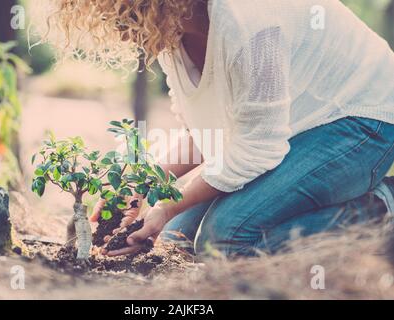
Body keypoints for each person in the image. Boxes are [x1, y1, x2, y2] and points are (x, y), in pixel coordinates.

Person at [47, 0, 394, 257]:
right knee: (175, 241)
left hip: (362, 118)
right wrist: (143, 187)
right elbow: (208, 130)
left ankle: (379, 208)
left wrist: (167, 206)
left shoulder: (250, 23)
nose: (114, 22)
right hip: (290, 127)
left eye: (122, 9)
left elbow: (256, 148)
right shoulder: (167, 31)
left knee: (223, 242)